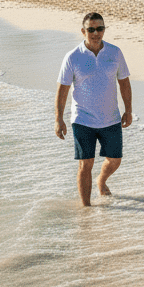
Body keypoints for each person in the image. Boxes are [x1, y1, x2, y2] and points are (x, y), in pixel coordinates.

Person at [55, 13, 133, 207]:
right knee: (85, 164)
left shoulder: (115, 53)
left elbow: (124, 83)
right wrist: (58, 119)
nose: (96, 33)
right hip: (82, 119)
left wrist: (128, 110)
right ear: (83, 31)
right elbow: (62, 90)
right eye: (91, 29)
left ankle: (102, 180)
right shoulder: (73, 57)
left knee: (115, 159)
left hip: (111, 118)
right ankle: (86, 209)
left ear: (104, 30)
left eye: (100, 29)